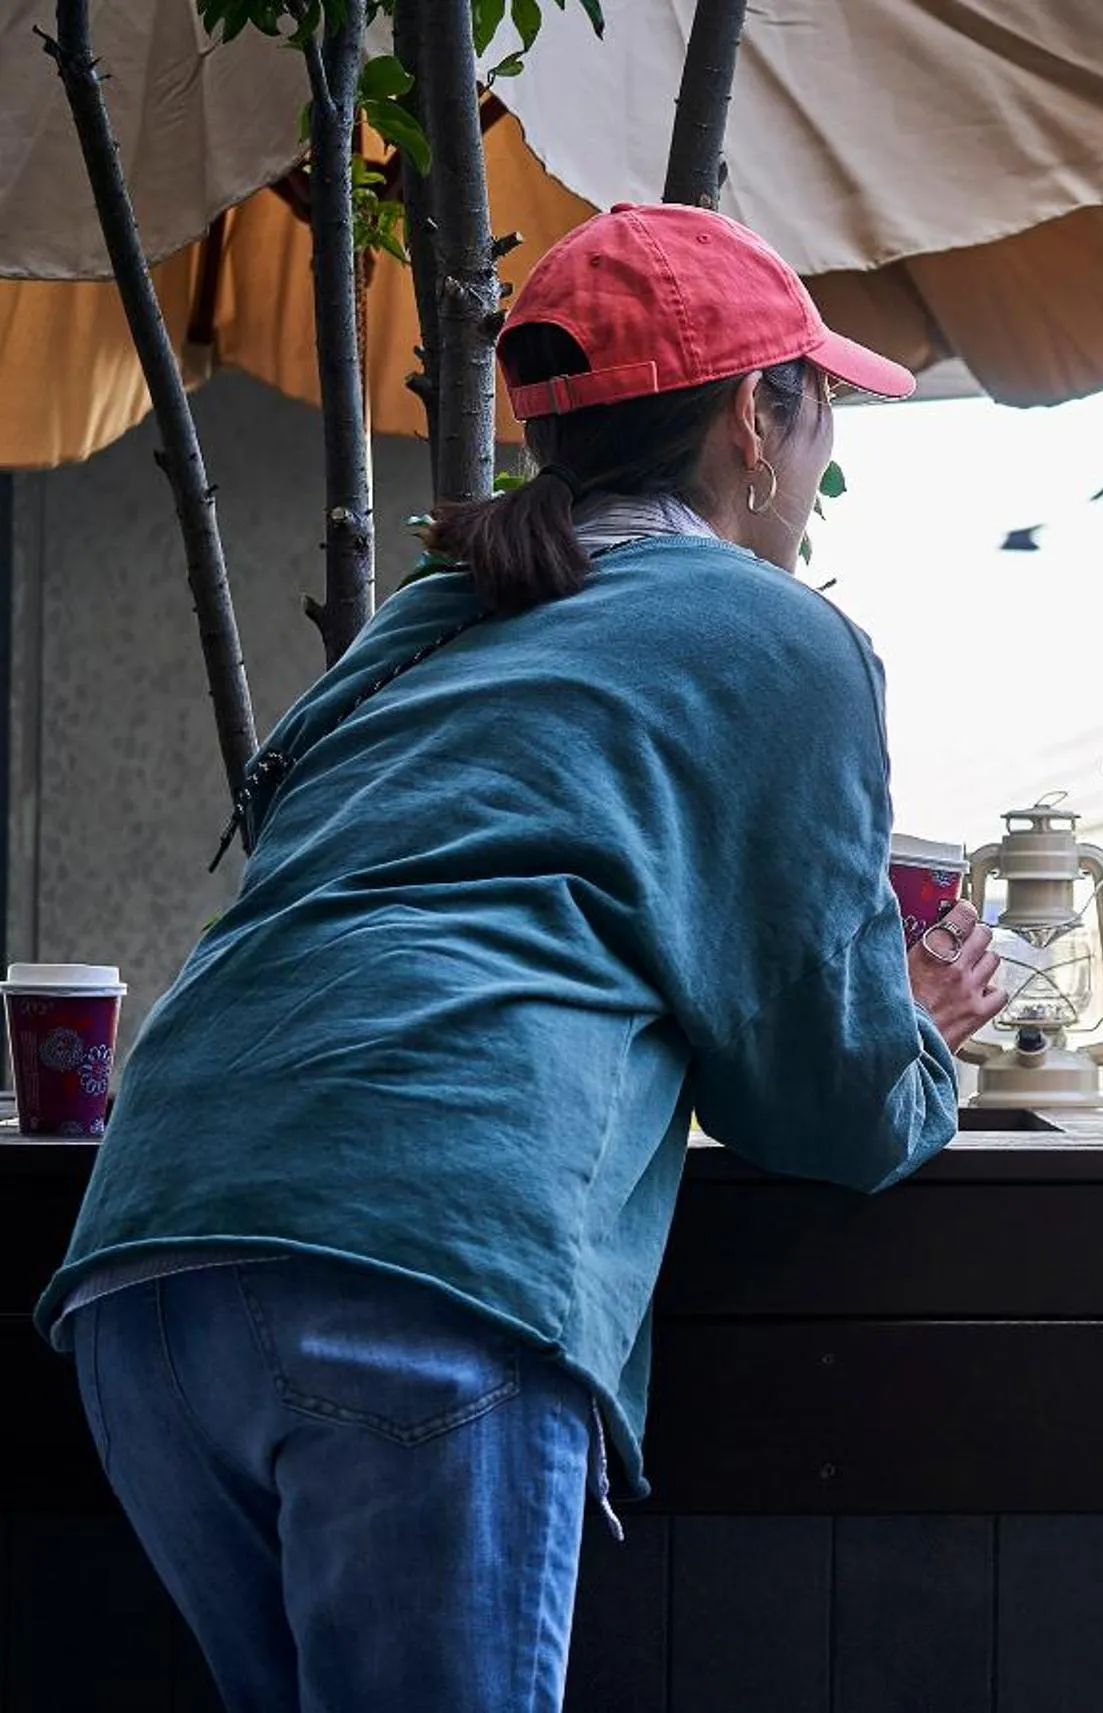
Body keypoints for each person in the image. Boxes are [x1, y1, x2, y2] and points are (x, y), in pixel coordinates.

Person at [35, 203, 1008, 1713]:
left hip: (146, 1270)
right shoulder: (773, 633)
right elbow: (829, 1102)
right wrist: (918, 1032)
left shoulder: (435, 612)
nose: (819, 470)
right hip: (416, 1268)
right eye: (819, 415)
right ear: (760, 414)